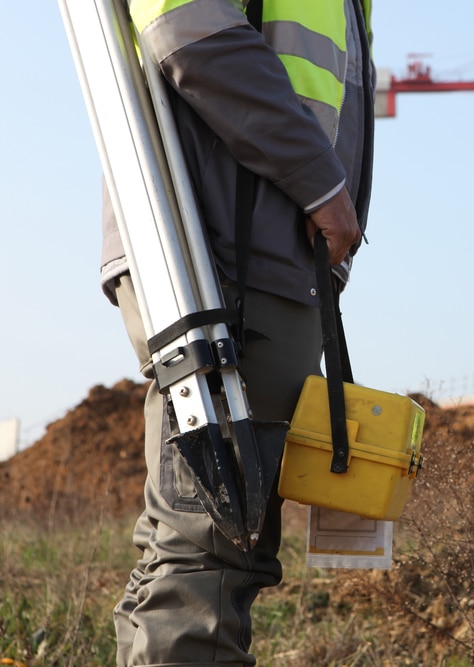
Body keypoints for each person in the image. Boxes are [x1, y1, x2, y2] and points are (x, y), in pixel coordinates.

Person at [99, 0, 375, 664]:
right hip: (226, 249)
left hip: (244, 248)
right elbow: (184, 22)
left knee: (189, 541)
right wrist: (319, 181)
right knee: (216, 543)